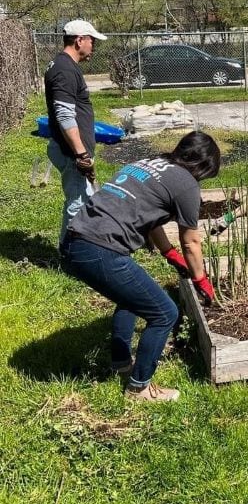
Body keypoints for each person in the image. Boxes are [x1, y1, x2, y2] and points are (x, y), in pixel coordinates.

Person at [63, 131, 221, 402]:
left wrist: (168, 253)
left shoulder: (148, 163)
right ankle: (139, 388)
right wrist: (201, 280)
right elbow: (192, 241)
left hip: (75, 240)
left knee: (133, 299)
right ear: (204, 166)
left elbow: (154, 221)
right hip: (100, 249)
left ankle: (121, 363)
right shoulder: (187, 184)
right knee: (164, 313)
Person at [44, 19, 107, 249]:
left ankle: (81, 246)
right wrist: (81, 154)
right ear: (79, 40)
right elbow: (64, 115)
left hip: (72, 149)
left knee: (83, 197)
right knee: (79, 202)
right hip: (71, 151)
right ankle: (70, 254)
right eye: (91, 40)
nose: (93, 46)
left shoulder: (62, 65)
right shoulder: (65, 69)